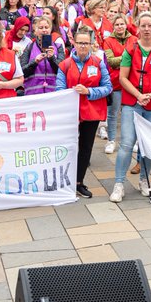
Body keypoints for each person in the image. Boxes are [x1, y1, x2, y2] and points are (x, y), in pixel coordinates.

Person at [111, 12, 151, 204]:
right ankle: (119, 184)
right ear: (138, 28)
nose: (147, 29)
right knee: (128, 142)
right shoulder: (131, 49)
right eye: (143, 26)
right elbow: (122, 77)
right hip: (132, 103)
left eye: (150, 26)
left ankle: (144, 180)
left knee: (148, 144)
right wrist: (138, 95)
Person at [56, 26, 113, 199]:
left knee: (86, 148)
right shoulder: (65, 64)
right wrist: (72, 92)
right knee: (69, 147)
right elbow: (59, 89)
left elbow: (108, 87)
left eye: (86, 43)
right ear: (73, 43)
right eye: (80, 43)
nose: (82, 46)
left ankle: (79, 182)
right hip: (71, 114)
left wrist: (88, 91)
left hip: (91, 113)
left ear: (91, 44)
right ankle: (64, 181)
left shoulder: (98, 62)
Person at [102, 13, 132, 153]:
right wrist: (128, 57)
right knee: (113, 113)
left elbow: (137, 59)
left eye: (122, 24)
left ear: (126, 25)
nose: (120, 26)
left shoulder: (134, 39)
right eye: (117, 24)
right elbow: (111, 61)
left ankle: (130, 141)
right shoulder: (108, 41)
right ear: (113, 26)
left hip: (131, 82)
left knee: (130, 114)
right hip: (115, 82)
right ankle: (111, 140)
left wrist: (120, 59)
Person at [19, 15, 64, 95]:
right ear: (35, 31)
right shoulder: (29, 47)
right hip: (33, 94)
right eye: (41, 28)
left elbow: (61, 72)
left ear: (50, 30)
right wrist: (35, 62)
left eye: (46, 27)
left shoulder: (58, 47)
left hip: (52, 93)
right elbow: (22, 72)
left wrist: (52, 58)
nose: (44, 30)